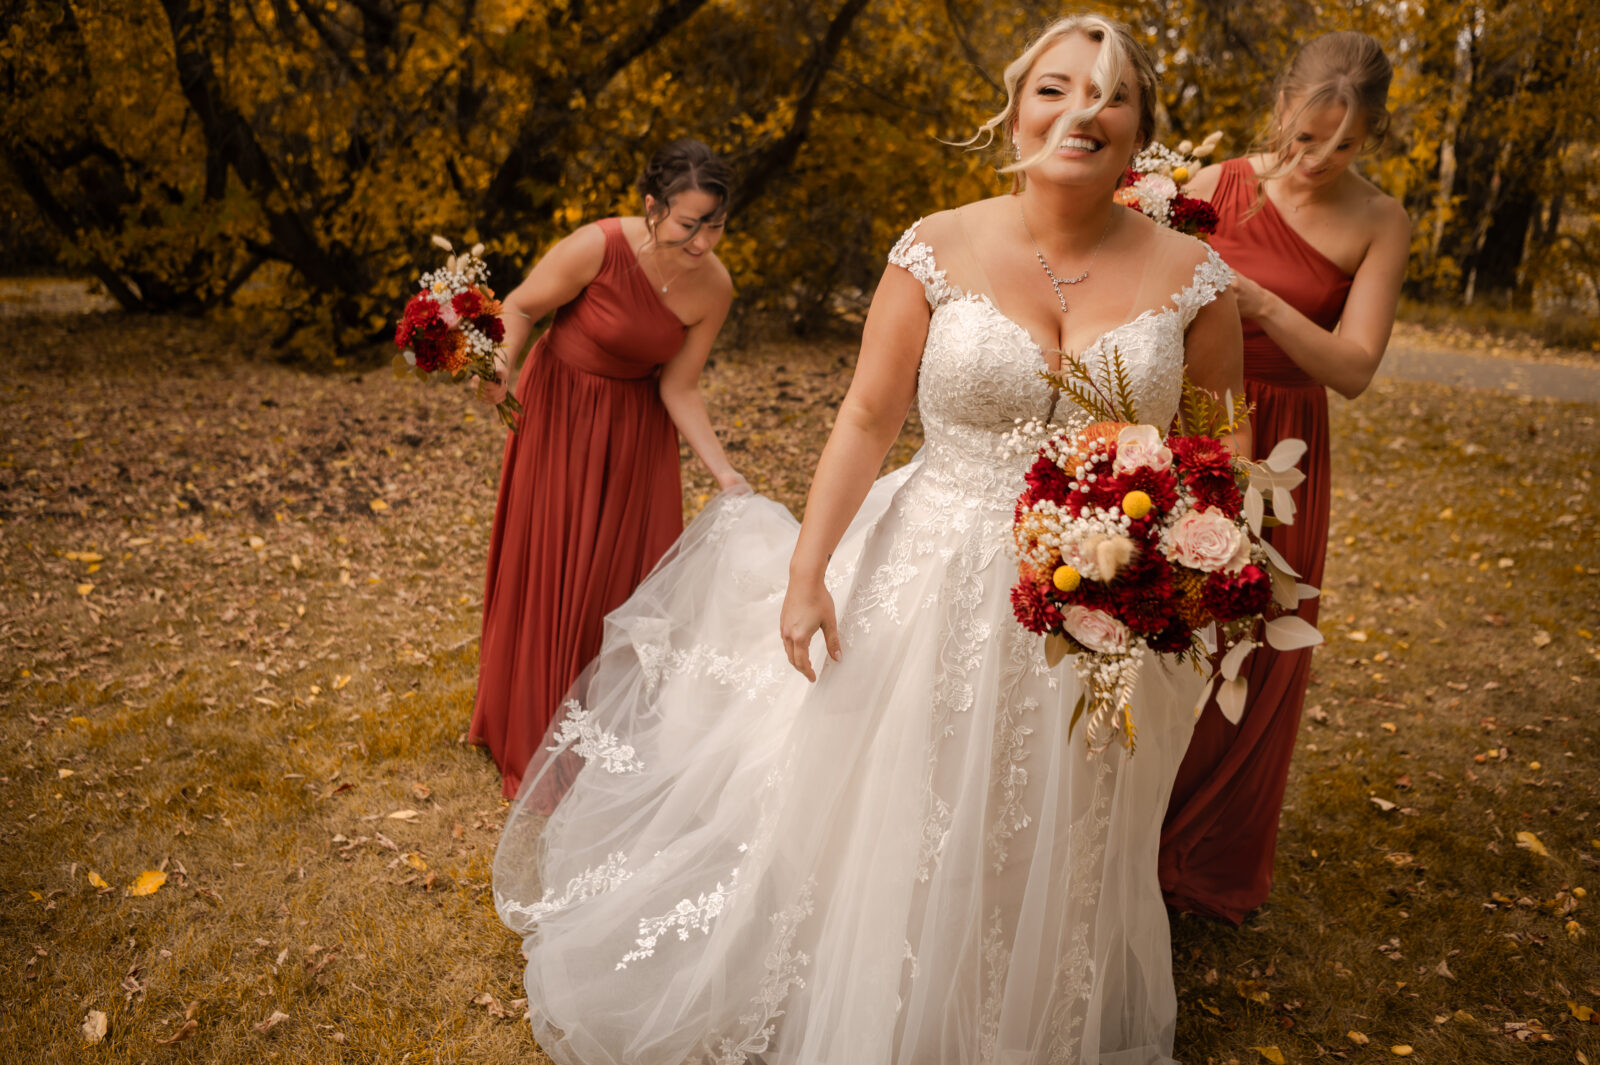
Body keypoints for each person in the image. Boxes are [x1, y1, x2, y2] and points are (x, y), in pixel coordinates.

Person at [492, 15, 1243, 1063]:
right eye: (1055, 88)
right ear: (1016, 107)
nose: (1082, 111)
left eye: (1111, 94)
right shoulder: (937, 245)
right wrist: (807, 574)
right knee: (905, 801)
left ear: (1140, 128)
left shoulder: (1192, 277)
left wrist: (1191, 568)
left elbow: (1219, 448)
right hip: (928, 572)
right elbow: (864, 418)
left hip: (1105, 606)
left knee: (1055, 817)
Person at [1159, 31, 1411, 924]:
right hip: (1195, 424)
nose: (1317, 161)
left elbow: (1353, 366)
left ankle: (1202, 862)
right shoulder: (1200, 187)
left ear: (1370, 135)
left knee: (1258, 649)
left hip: (1291, 441)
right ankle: (1120, 836)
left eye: (1343, 145)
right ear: (1283, 110)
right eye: (1305, 138)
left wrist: (1262, 304)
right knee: (1163, 628)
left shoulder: (1380, 219)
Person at [469, 139, 747, 804]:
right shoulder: (597, 246)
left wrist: (725, 474)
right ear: (652, 208)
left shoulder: (714, 287)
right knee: (556, 569)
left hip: (637, 437)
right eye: (688, 224)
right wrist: (502, 364)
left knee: (627, 585)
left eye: (716, 224)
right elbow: (522, 305)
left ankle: (606, 729)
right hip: (562, 412)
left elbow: (679, 386)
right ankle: (531, 724)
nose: (704, 241)